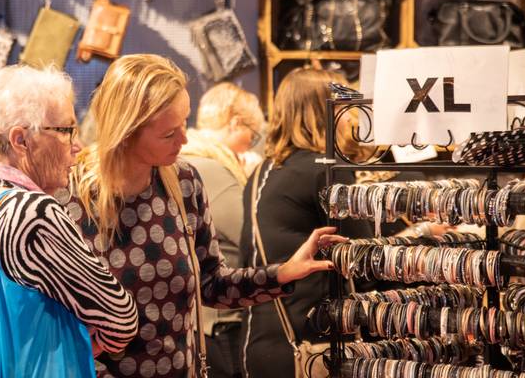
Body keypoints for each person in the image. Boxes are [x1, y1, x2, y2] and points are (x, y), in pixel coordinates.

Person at [68, 54, 347, 378]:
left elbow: (212, 284)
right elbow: (60, 321)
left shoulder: (182, 183)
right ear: (126, 132)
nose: (185, 139)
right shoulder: (73, 198)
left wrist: (283, 273)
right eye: (169, 133)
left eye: (184, 123)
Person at [0, 65, 138, 377]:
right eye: (66, 131)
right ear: (21, 140)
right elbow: (120, 318)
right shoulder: (32, 213)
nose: (77, 145)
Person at [239, 68, 374, 377]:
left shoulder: (261, 173)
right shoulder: (327, 173)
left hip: (261, 339)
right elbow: (364, 260)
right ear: (326, 111)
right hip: (314, 345)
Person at [179, 82, 264, 378]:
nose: (252, 144)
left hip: (200, 318)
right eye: (252, 134)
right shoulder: (213, 169)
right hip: (222, 319)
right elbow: (251, 236)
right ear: (234, 123)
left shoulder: (185, 159)